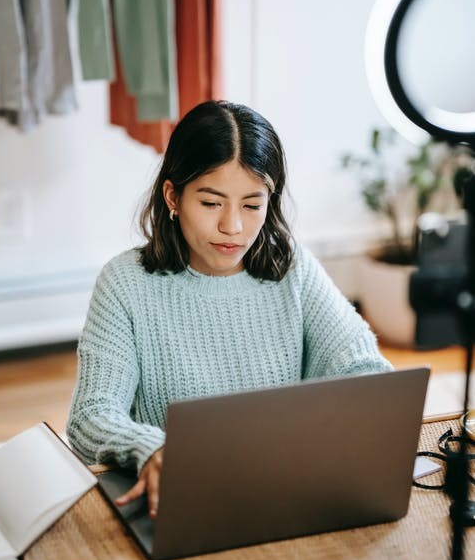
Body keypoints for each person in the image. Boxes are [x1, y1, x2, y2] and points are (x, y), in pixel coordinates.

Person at [66, 100, 392, 518]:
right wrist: (149, 447)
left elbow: (368, 373)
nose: (233, 227)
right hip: (179, 503)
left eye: (252, 205)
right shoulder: (126, 283)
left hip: (289, 493)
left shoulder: (291, 268)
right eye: (211, 203)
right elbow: (90, 416)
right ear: (173, 196)